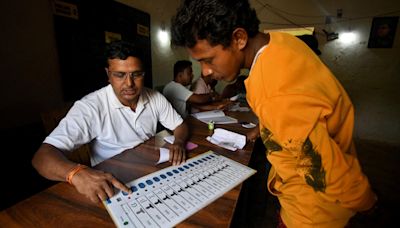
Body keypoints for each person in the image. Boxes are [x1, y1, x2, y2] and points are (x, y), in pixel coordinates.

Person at [171, 0, 377, 227]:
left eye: (208, 60)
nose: (206, 71)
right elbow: (298, 113)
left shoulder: (273, 89)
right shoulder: (280, 43)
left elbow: (323, 168)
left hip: (311, 212)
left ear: (239, 38)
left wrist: (366, 201)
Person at [32, 40, 188, 203]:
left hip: (148, 167)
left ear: (144, 74)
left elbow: (180, 125)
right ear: (108, 75)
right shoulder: (91, 107)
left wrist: (178, 141)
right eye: (120, 75)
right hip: (110, 181)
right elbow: (42, 157)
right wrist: (75, 173)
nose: (129, 83)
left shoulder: (154, 97)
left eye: (136, 74)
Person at [163, 60, 229, 117]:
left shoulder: (179, 87)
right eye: (189, 73)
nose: (192, 75)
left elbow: (194, 104)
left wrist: (216, 106)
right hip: (181, 122)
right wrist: (212, 95)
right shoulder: (175, 87)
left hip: (184, 120)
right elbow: (199, 99)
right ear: (180, 75)